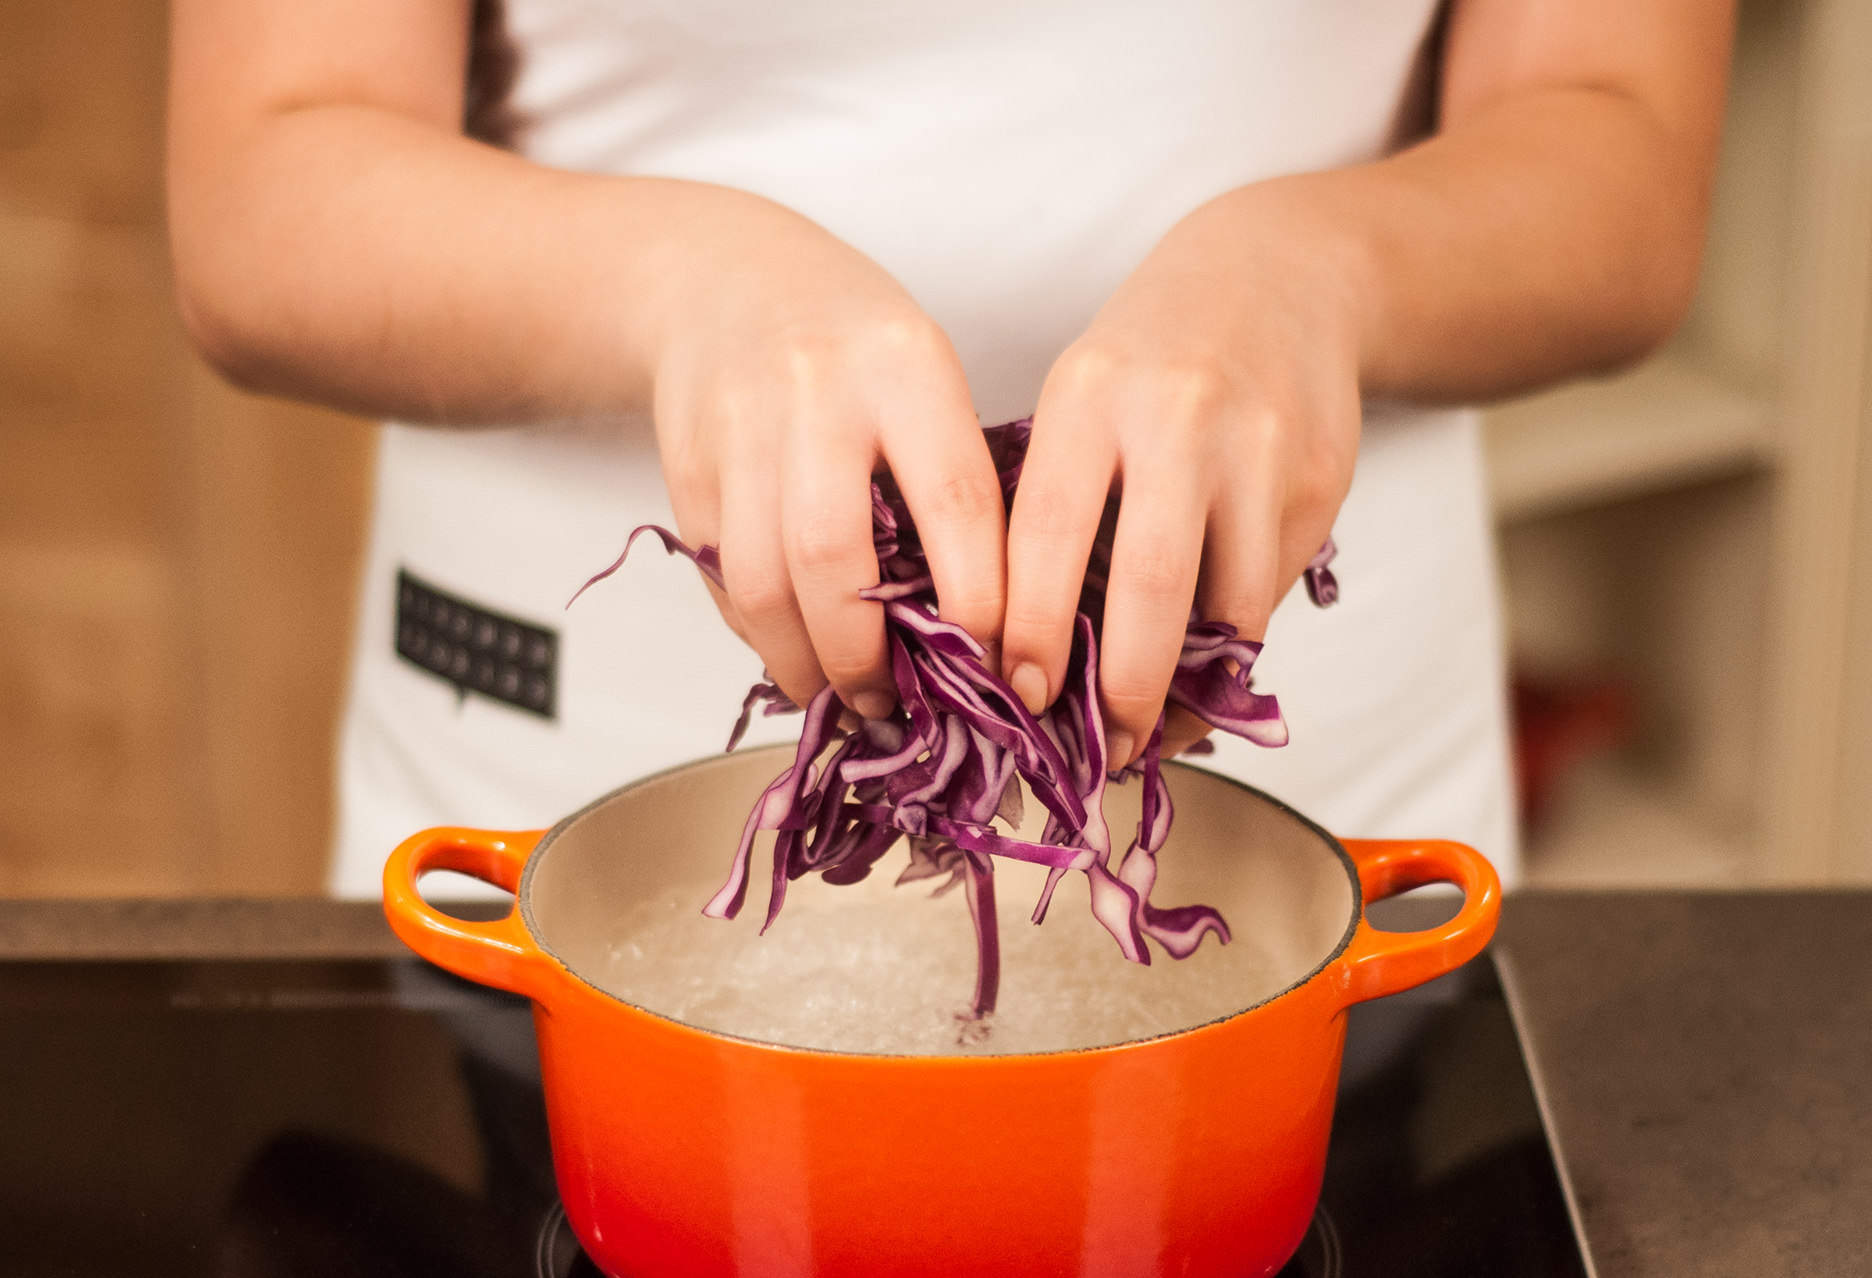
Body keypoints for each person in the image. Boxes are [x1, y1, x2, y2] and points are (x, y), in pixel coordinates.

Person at [166, 0, 1733, 897]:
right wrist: (678, 282)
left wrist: (1324, 269)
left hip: (1332, 862)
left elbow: (1617, 147)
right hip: (554, 859)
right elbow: (263, 186)